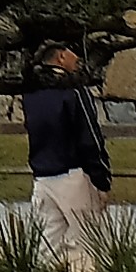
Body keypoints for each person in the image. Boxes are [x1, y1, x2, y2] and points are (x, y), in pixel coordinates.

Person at [18, 40, 112, 243]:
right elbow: (90, 138)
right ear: (61, 57)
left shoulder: (31, 94)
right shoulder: (74, 92)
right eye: (73, 52)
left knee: (48, 246)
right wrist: (102, 179)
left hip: (42, 177)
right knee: (88, 245)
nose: (77, 58)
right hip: (73, 175)